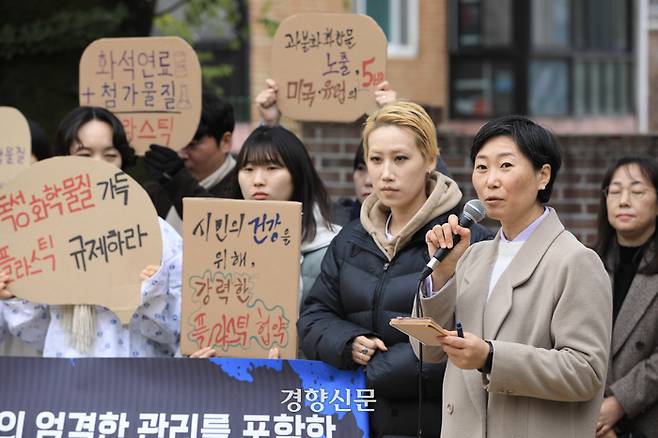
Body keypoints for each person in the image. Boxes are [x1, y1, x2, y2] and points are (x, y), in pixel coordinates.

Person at [297, 101, 494, 437]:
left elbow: (472, 339)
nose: (386, 173)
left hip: (435, 423)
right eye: (376, 160)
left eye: (400, 159)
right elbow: (314, 315)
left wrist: (376, 369)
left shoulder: (467, 239)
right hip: (354, 421)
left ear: (430, 159)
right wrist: (347, 343)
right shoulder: (351, 237)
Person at [413, 115, 612, 438]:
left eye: (505, 166)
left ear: (543, 175)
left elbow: (586, 372)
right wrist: (444, 273)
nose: (490, 180)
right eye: (481, 167)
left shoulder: (575, 261)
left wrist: (492, 357)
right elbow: (427, 350)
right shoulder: (472, 256)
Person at [0, 106, 182, 358]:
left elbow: (176, 332)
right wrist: (15, 297)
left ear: (123, 161)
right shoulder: (41, 237)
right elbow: (37, 334)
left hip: (139, 388)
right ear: (63, 160)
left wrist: (149, 292)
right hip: (65, 386)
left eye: (110, 155)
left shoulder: (156, 233)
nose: (99, 166)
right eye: (84, 155)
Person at [231, 124, 339, 305]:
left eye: (272, 168)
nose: (258, 181)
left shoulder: (335, 248)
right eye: (248, 169)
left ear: (297, 174)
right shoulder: (222, 245)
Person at [593, 156, 658, 438]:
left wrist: (619, 402)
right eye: (615, 191)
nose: (624, 200)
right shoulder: (588, 263)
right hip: (589, 416)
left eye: (638, 191)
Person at [144, 92, 236, 233]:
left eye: (192, 145)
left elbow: (220, 228)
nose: (181, 153)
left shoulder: (246, 188)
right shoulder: (157, 192)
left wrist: (176, 179)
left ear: (225, 141)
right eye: (175, 143)